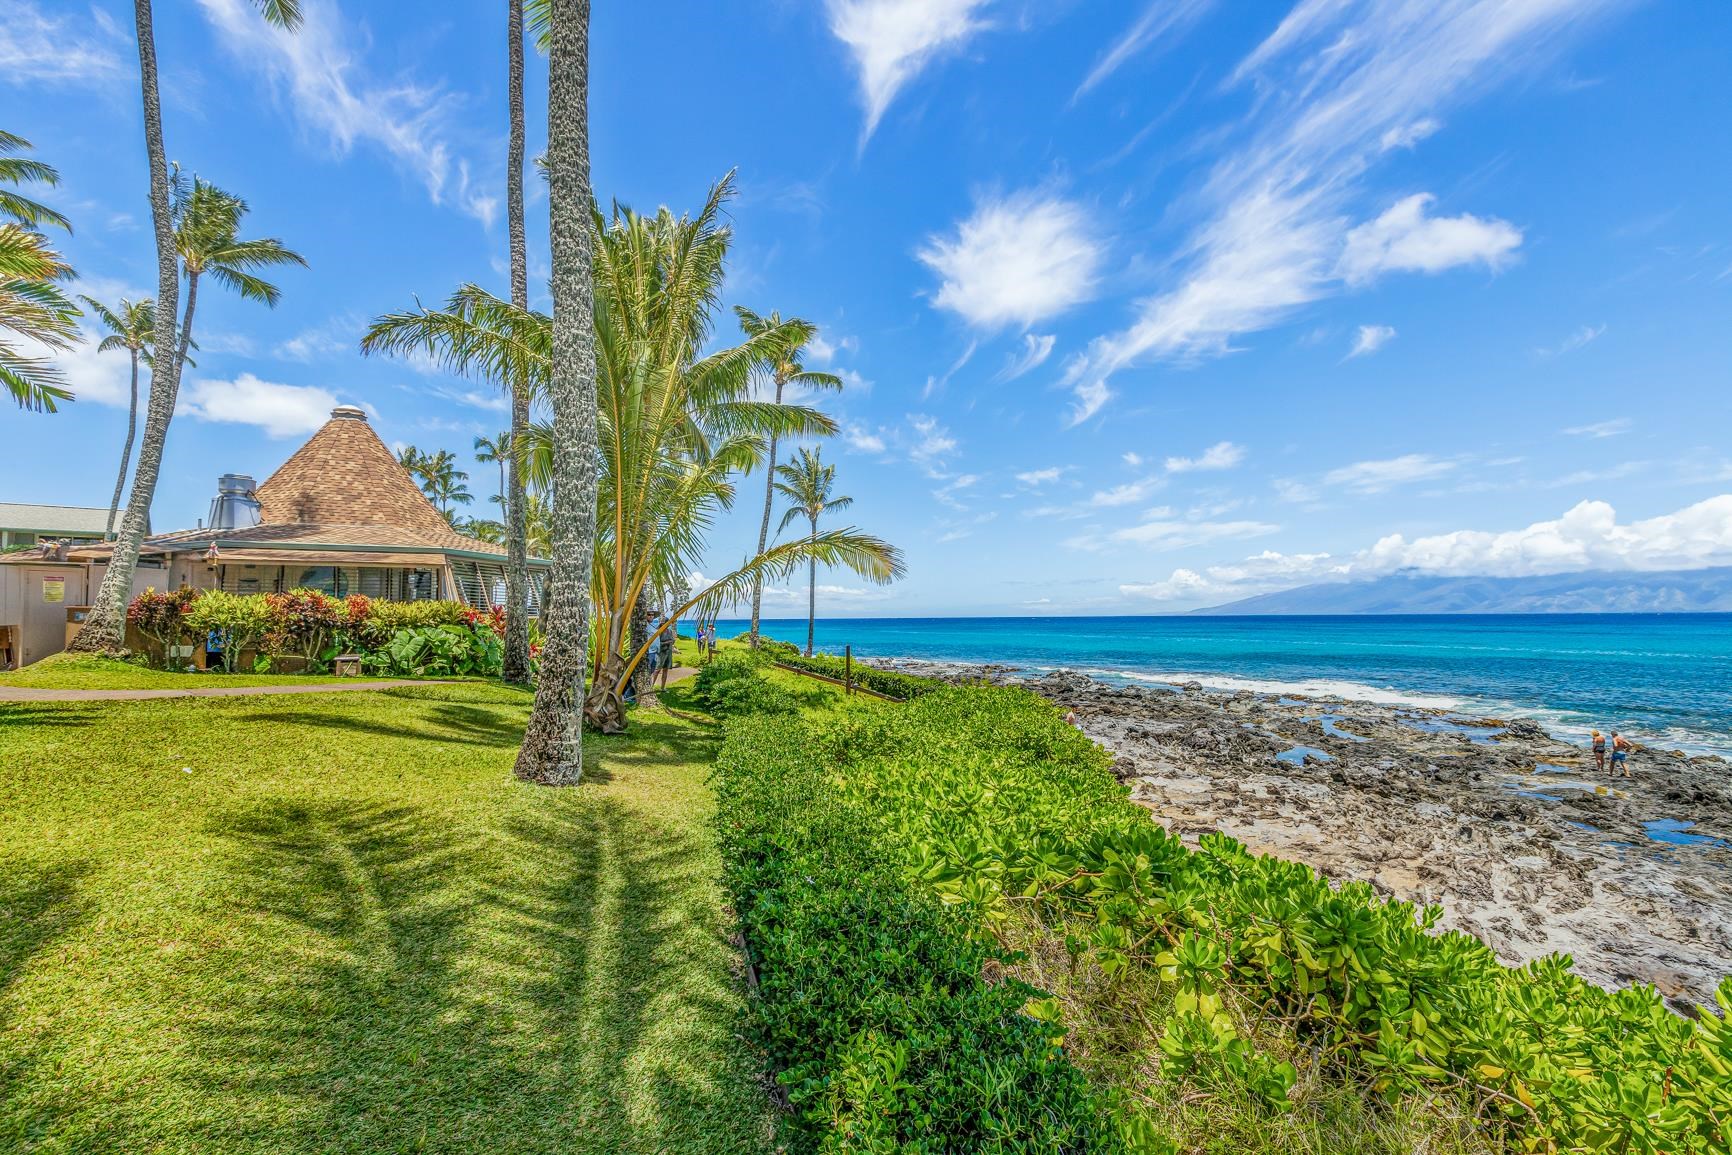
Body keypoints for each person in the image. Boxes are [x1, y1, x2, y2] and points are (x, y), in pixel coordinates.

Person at [656, 619, 677, 689]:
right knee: (657, 670)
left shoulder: (669, 631)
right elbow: (656, 643)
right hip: (661, 653)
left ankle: (662, 687)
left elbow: (672, 640)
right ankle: (651, 687)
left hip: (668, 652)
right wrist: (666, 642)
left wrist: (672, 641)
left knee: (665, 670)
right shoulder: (658, 631)